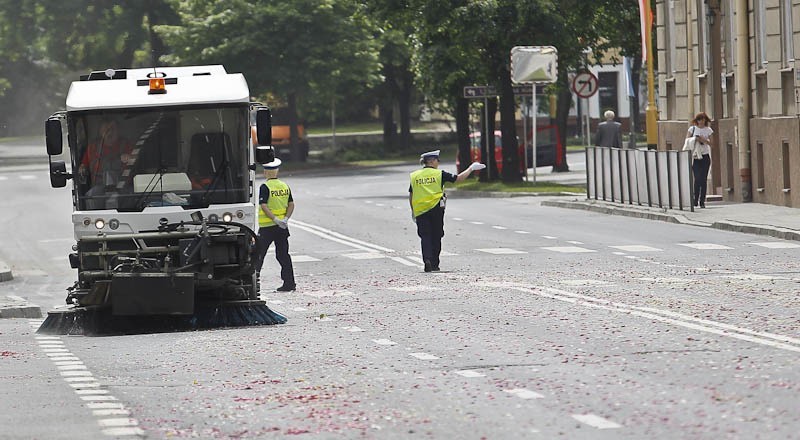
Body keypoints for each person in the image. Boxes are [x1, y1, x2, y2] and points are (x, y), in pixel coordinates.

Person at [409, 150, 486, 272]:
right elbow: (458, 179)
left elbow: (411, 194)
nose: (438, 163)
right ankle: (434, 263)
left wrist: (413, 211)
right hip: (436, 209)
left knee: (425, 237)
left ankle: (427, 260)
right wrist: (471, 169)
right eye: (437, 161)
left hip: (420, 211)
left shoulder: (415, 176)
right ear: (432, 161)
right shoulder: (439, 174)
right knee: (437, 235)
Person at [254, 158, 296, 292]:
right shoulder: (284, 186)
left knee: (258, 254)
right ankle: (289, 283)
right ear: (277, 171)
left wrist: (274, 219)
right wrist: (285, 219)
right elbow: (291, 204)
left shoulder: (265, 187)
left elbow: (264, 205)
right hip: (282, 227)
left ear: (266, 172)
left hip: (267, 227)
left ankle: (254, 282)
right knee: (283, 255)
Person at [687, 111, 713, 208]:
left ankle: (702, 201)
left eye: (703, 119)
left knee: (703, 180)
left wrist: (704, 140)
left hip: (705, 157)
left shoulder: (708, 130)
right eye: (699, 119)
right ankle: (695, 199)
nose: (701, 121)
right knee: (697, 178)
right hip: (695, 157)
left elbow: (712, 144)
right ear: (696, 120)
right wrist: (695, 139)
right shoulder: (692, 129)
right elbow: (687, 141)